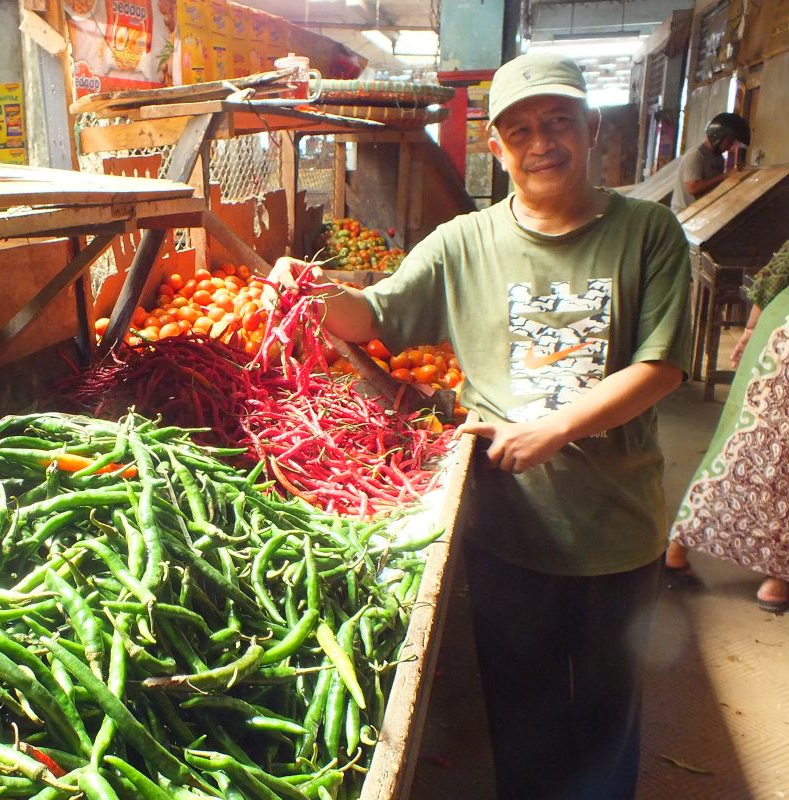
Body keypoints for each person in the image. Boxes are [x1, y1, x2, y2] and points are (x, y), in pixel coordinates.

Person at [270, 51, 690, 799]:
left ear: (591, 128)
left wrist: (552, 430)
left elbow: (659, 369)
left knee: (604, 720)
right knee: (521, 716)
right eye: (520, 129)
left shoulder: (648, 233)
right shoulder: (464, 241)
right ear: (496, 147)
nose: (541, 143)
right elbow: (375, 317)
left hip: (616, 526)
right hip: (508, 527)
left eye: (559, 122)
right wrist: (308, 289)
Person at [665, 239, 789, 613]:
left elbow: (776, 272)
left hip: (779, 330)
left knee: (739, 440)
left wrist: (752, 328)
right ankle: (778, 580)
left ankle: (676, 551)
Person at [669, 112, 750, 215]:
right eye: (729, 141)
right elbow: (692, 188)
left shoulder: (719, 159)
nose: (730, 146)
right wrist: (726, 176)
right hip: (683, 214)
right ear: (718, 135)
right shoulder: (695, 155)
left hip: (700, 212)